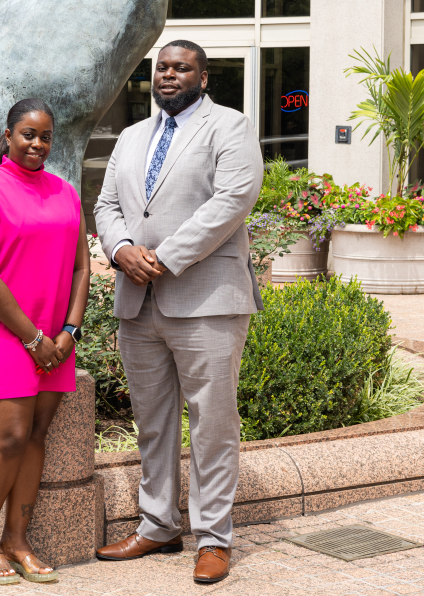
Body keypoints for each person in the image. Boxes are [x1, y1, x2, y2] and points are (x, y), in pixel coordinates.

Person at [93, 40, 264, 584]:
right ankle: (158, 524)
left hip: (206, 300)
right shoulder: (130, 136)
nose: (168, 75)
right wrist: (121, 250)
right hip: (136, 301)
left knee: (213, 424)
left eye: (181, 68)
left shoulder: (229, 127)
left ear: (203, 77)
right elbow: (106, 206)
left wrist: (164, 257)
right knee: (153, 422)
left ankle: (214, 538)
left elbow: (234, 198)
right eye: (161, 68)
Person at [0, 98, 90, 586]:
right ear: (9, 135)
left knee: (37, 436)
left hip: (56, 340)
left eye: (45, 136)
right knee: (11, 435)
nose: (38, 144)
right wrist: (33, 338)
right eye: (28, 135)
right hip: (4, 334)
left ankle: (18, 539)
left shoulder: (66, 193)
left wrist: (68, 333)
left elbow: (81, 267)